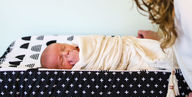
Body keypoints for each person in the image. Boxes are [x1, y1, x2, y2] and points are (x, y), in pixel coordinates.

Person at [40, 35, 176, 70]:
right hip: (126, 58)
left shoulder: (83, 42)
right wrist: (81, 59)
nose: (66, 54)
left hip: (125, 47)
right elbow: (96, 65)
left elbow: (101, 43)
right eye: (61, 61)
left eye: (63, 48)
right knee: (157, 62)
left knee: (157, 49)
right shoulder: (78, 68)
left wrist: (82, 54)